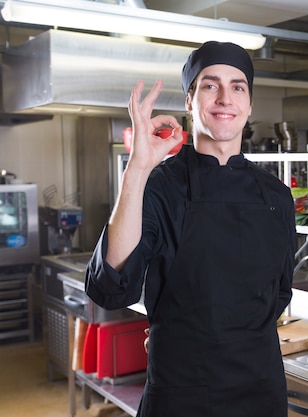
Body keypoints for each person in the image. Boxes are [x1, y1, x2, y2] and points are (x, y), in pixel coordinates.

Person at [85, 41, 296, 417]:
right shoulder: (158, 186)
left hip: (260, 390)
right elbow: (111, 285)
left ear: (249, 104)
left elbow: (278, 295)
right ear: (189, 100)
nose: (224, 98)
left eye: (237, 86)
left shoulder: (277, 196)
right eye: (210, 85)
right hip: (181, 394)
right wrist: (137, 169)